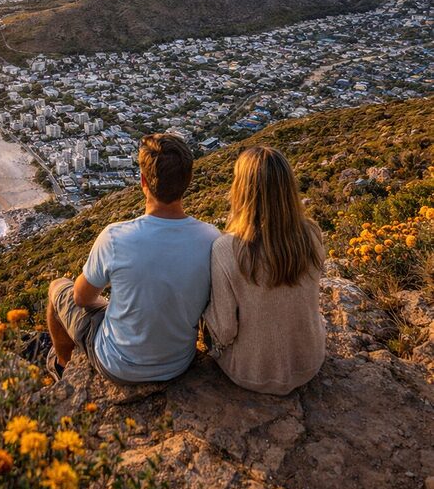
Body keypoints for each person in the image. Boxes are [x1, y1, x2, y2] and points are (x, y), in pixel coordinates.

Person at [47, 133, 220, 384]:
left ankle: (62, 367)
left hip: (118, 365)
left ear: (143, 181)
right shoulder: (212, 239)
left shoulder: (116, 237)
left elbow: (81, 298)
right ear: (188, 180)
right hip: (178, 364)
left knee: (56, 288)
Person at [202, 146, 325, 396]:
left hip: (252, 372)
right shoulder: (311, 234)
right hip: (309, 362)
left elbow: (224, 330)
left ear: (241, 190)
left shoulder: (227, 249)